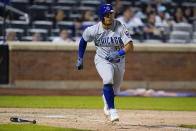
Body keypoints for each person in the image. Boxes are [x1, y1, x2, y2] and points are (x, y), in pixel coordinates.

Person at [76, 4, 134, 122]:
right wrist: (80, 58)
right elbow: (83, 41)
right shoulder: (93, 29)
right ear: (101, 17)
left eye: (111, 14)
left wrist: (119, 53)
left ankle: (106, 99)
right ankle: (113, 111)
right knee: (107, 80)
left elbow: (130, 46)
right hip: (102, 59)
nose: (109, 17)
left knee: (115, 91)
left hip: (119, 61)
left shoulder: (120, 26)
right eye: (107, 15)